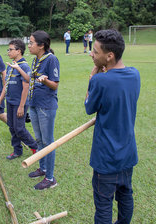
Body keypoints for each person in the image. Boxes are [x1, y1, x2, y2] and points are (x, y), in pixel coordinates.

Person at [85, 29, 140, 224]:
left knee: (103, 204)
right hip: (127, 153)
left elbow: (89, 107)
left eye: (96, 51)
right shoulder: (135, 74)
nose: (92, 54)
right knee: (126, 195)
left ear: (109, 56)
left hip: (106, 158)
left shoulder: (100, 80)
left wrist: (92, 78)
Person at [27, 30, 60, 190]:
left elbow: (55, 85)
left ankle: (50, 178)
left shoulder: (51, 59)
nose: (29, 45)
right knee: (39, 140)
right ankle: (43, 168)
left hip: (46, 106)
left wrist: (46, 81)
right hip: (33, 103)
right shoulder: (35, 60)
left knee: (48, 142)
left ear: (41, 46)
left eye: (31, 42)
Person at [0, 39, 37, 159]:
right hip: (10, 101)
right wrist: (0, 100)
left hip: (19, 103)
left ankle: (35, 147)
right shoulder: (10, 66)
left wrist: (22, 106)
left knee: (19, 128)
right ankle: (17, 150)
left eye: (10, 49)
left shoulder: (23, 66)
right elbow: (6, 85)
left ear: (18, 51)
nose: (8, 52)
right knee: (12, 127)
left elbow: (26, 86)